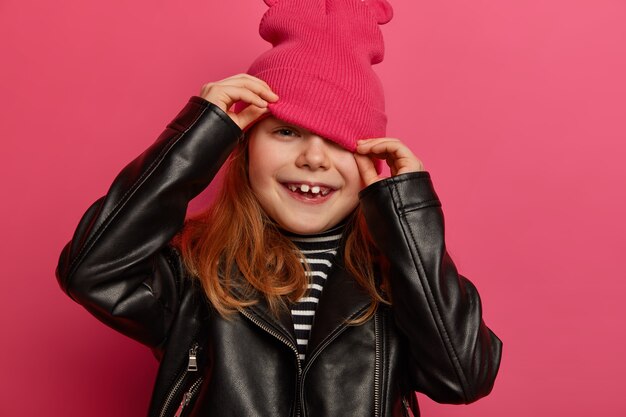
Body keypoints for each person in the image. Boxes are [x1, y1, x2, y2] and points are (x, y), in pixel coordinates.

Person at [56, 1, 502, 416]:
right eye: (287, 132)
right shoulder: (193, 270)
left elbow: (464, 377)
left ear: (373, 159)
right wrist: (197, 138)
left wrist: (408, 219)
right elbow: (92, 272)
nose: (314, 158)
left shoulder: (397, 277)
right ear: (244, 146)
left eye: (341, 140)